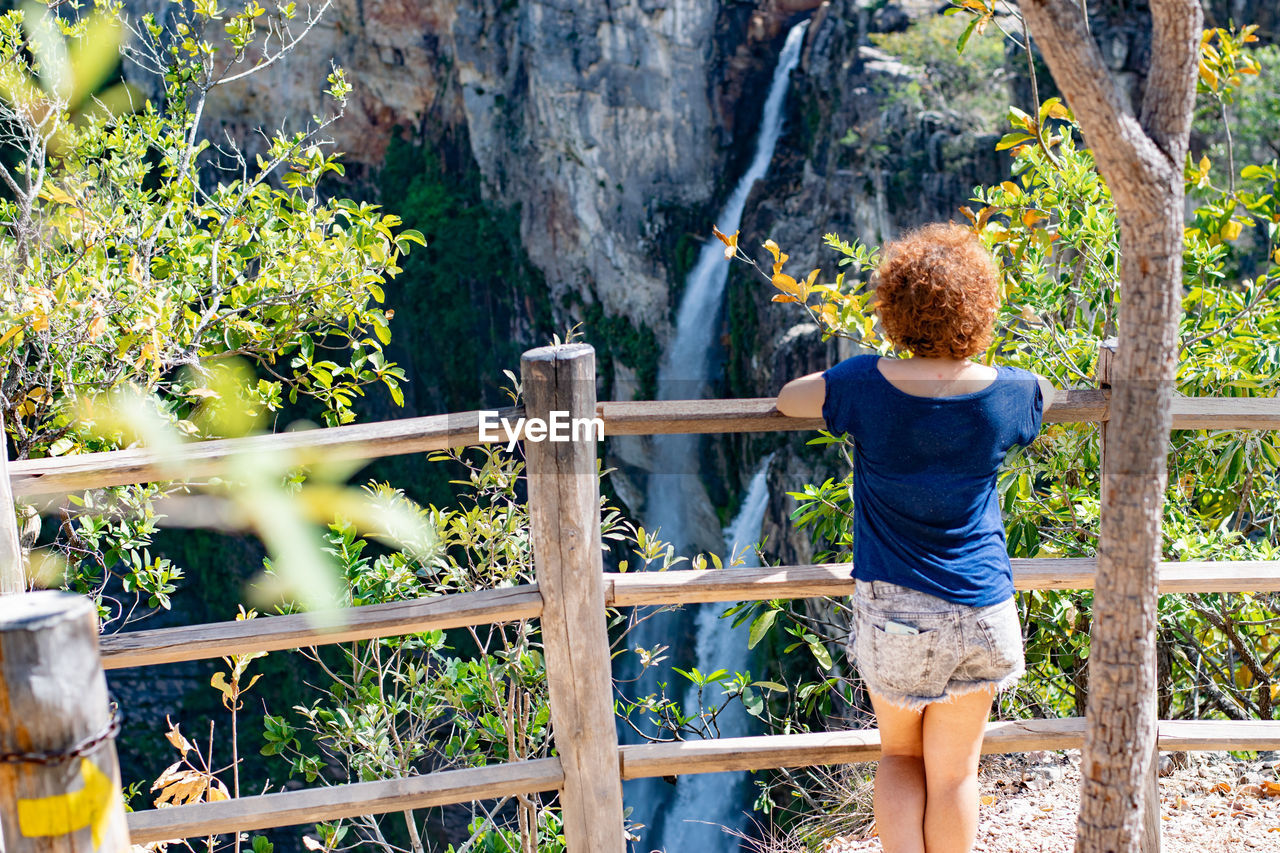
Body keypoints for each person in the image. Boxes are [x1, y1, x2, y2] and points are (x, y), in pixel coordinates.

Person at [774, 222, 1053, 853]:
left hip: (897, 614)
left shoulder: (863, 385)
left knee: (900, 759)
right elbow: (1047, 394)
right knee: (955, 774)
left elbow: (790, 399)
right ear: (981, 309)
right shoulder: (1011, 393)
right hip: (985, 609)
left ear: (893, 307)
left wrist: (853, 376)